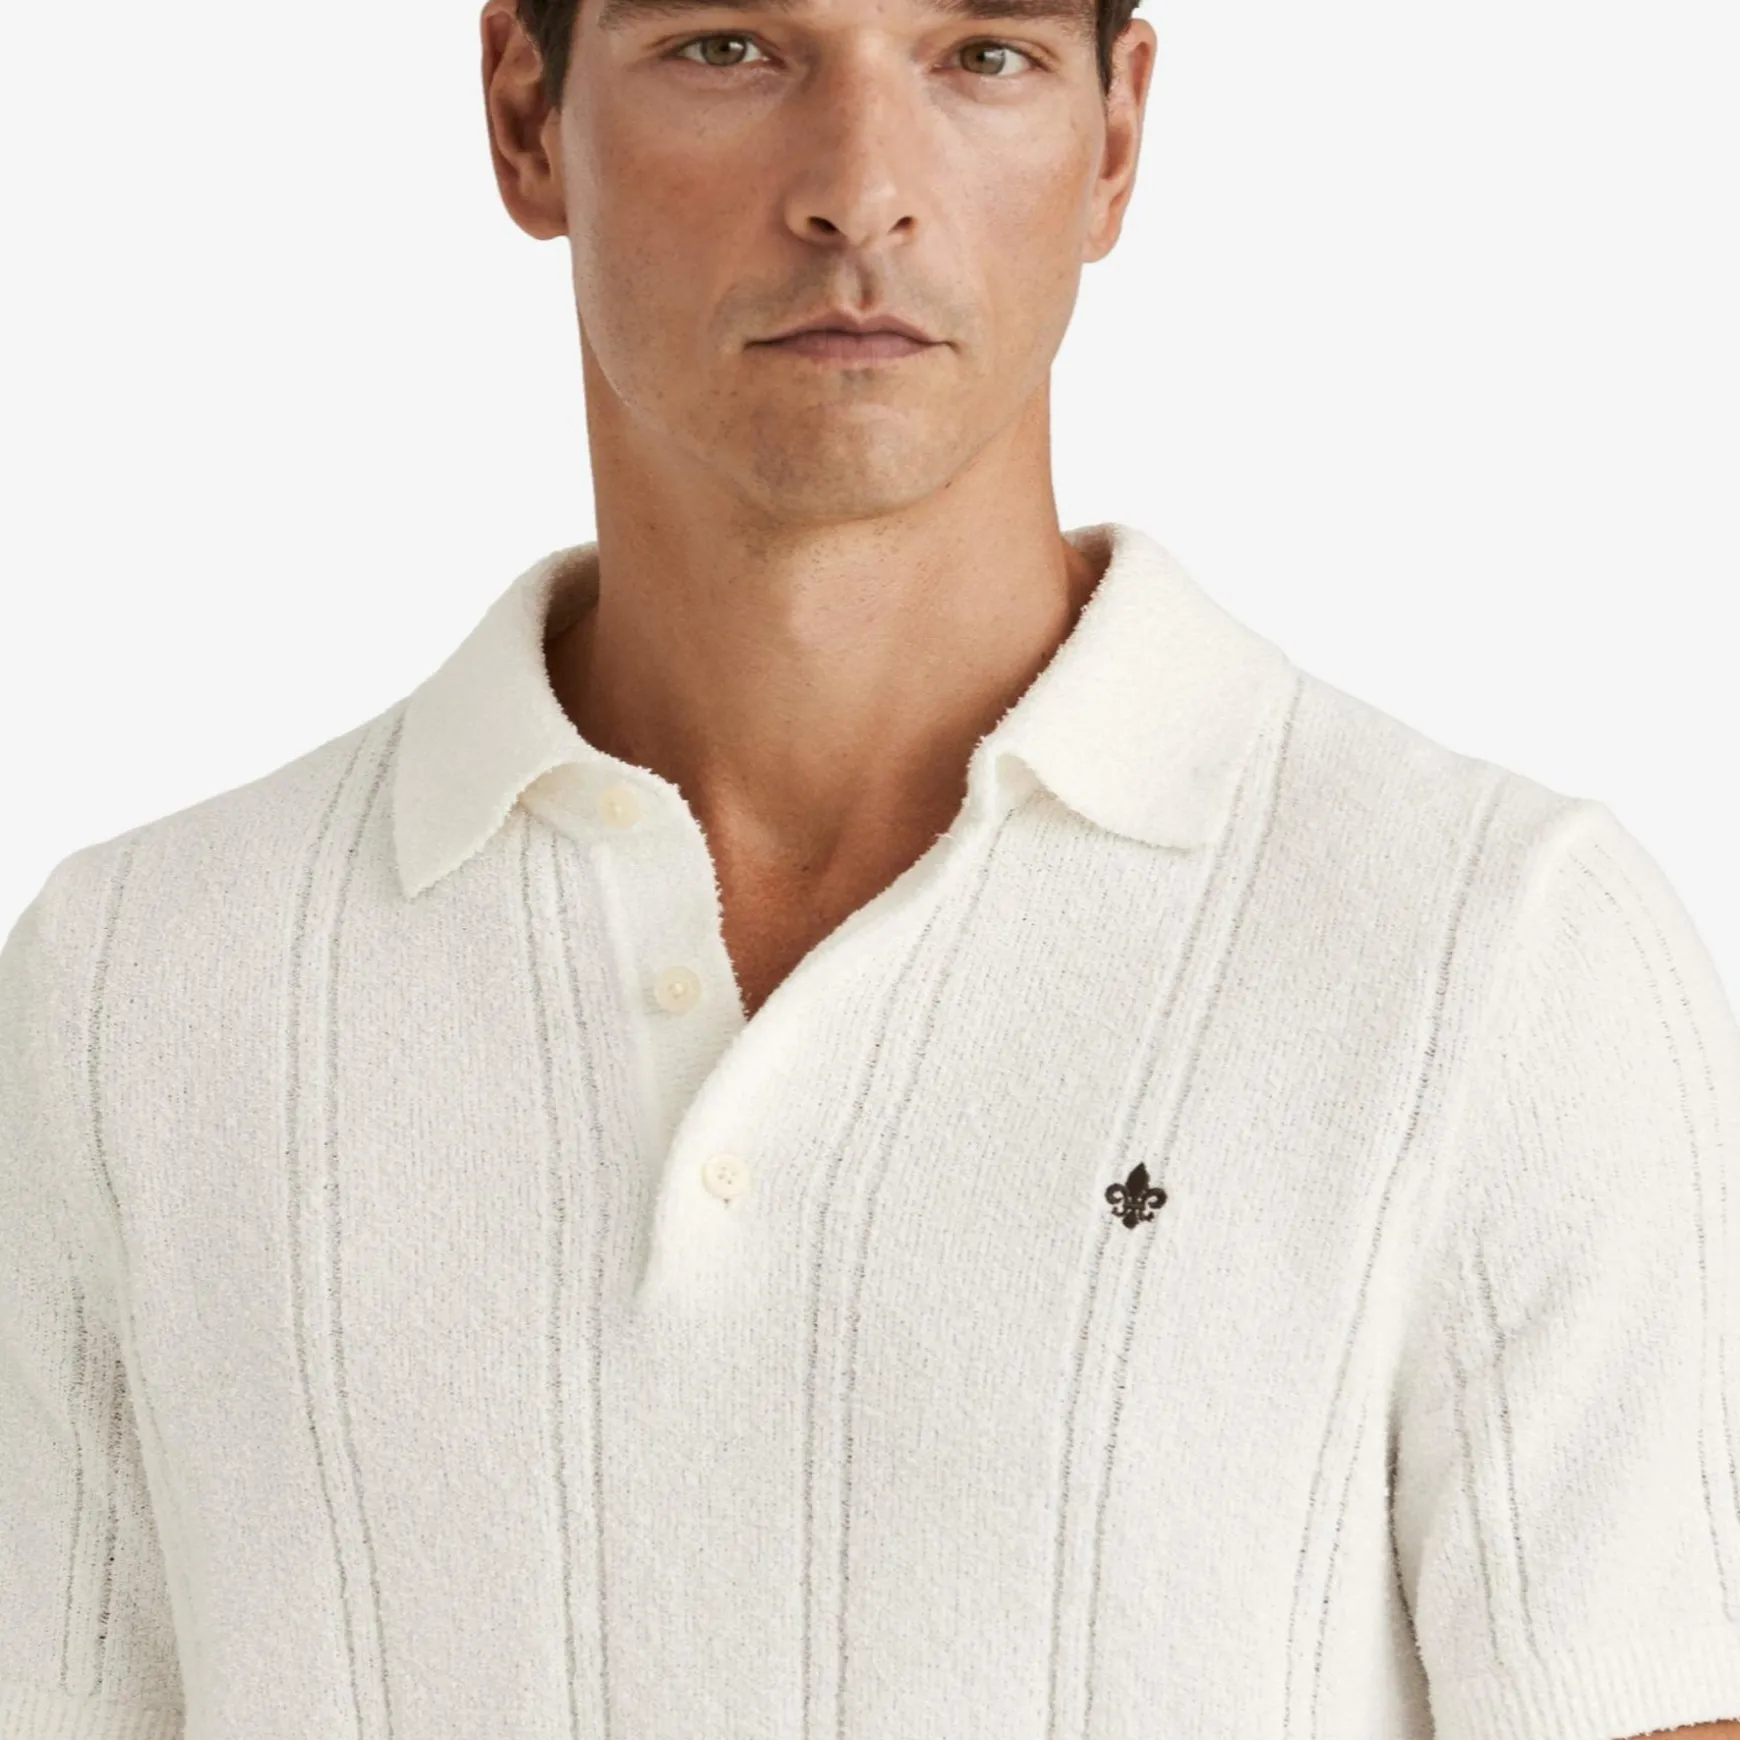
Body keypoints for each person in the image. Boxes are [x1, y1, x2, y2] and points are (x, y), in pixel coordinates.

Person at [2, 0, 1737, 1732]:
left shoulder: (1496, 953)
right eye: (729, 48)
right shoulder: (137, 988)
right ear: (528, 116)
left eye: (983, 54)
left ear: (1116, 137)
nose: (858, 188)